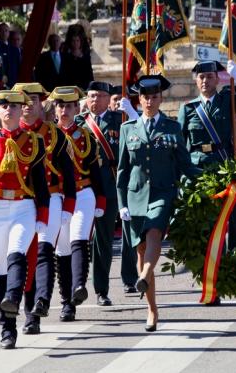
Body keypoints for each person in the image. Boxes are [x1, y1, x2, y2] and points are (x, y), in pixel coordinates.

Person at [117, 75, 201, 331]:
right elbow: (122, 170)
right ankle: (152, 309)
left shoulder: (172, 127)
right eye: (145, 97)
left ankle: (142, 277)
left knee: (155, 231)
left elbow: (185, 164)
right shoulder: (127, 128)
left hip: (163, 193)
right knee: (141, 250)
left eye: (155, 97)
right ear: (139, 99)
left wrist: (212, 178)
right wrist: (121, 203)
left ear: (161, 98)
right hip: (135, 195)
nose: (150, 101)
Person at [0, 90, 50, 350]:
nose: (9, 110)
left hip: (23, 206)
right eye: (4, 106)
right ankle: (7, 330)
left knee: (18, 252)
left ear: (21, 110)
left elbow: (40, 181)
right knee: (0, 269)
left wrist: (43, 213)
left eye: (14, 106)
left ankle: (13, 297)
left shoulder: (34, 141)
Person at [178, 59, 236, 281]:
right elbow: (181, 147)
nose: (205, 81)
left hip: (228, 168)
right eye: (201, 77)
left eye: (209, 76)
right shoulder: (187, 109)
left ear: (217, 79)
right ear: (196, 81)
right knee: (209, 224)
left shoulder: (229, 101)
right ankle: (213, 271)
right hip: (201, 172)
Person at [13, 82, 76, 336]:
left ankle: (39, 305)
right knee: (24, 258)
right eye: (24, 102)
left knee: (43, 251)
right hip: (18, 204)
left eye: (35, 101)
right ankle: (30, 311)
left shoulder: (55, 135)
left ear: (42, 105)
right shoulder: (8, 135)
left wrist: (68, 205)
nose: (29, 106)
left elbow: (69, 175)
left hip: (50, 199)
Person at [78, 81, 139, 305]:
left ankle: (130, 278)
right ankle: (101, 289)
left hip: (118, 186)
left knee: (129, 233)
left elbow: (140, 132)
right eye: (91, 95)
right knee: (101, 240)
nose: (95, 100)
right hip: (91, 188)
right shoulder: (79, 123)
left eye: (100, 96)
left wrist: (132, 112)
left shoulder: (120, 119)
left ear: (108, 98)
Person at [50, 86, 106, 321]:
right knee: (62, 249)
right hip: (58, 196)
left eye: (69, 106)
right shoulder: (46, 136)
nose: (64, 110)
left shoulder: (85, 136)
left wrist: (100, 197)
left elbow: (95, 170)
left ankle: (79, 286)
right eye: (60, 105)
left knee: (79, 238)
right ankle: (66, 302)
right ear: (55, 109)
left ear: (76, 109)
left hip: (83, 192)